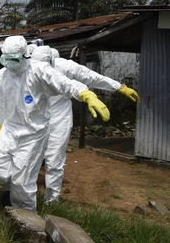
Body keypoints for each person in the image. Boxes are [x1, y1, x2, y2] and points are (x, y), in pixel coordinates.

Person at [0, 35, 110, 211]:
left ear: (24, 56)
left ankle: (28, 221)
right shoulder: (1, 77)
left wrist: (86, 94)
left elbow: (64, 83)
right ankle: (12, 191)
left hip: (33, 133)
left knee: (22, 182)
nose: (9, 64)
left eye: (14, 59)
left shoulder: (38, 71)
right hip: (10, 129)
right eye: (6, 59)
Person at [31, 46, 140, 204]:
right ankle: (25, 197)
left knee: (54, 159)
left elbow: (90, 76)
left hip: (59, 117)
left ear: (52, 61)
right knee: (29, 155)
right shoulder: (30, 68)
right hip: (36, 116)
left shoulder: (64, 66)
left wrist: (118, 87)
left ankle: (51, 201)